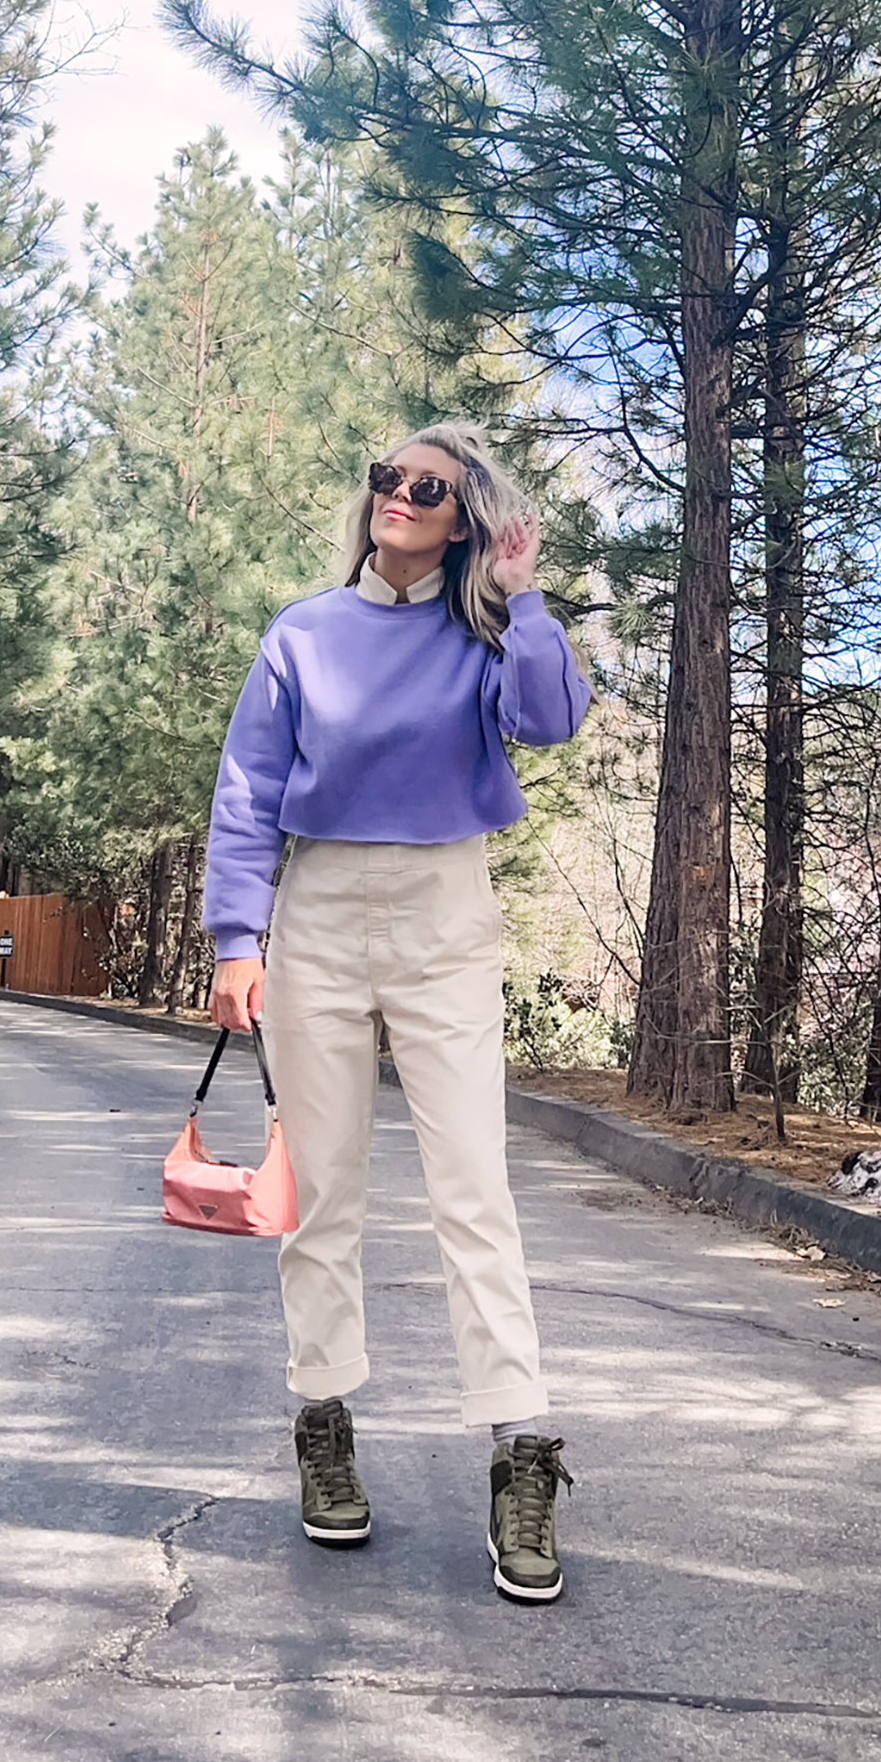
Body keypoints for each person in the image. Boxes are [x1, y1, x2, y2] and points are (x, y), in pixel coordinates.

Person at [203, 421, 592, 1601]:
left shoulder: (484, 635)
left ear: (463, 513)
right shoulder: (304, 631)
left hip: (443, 911)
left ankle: (520, 1448)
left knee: (474, 1186)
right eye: (386, 477)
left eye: (427, 486)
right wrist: (236, 935)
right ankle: (323, 1421)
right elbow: (248, 787)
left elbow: (552, 718)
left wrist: (523, 600)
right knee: (322, 1191)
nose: (398, 496)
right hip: (318, 907)